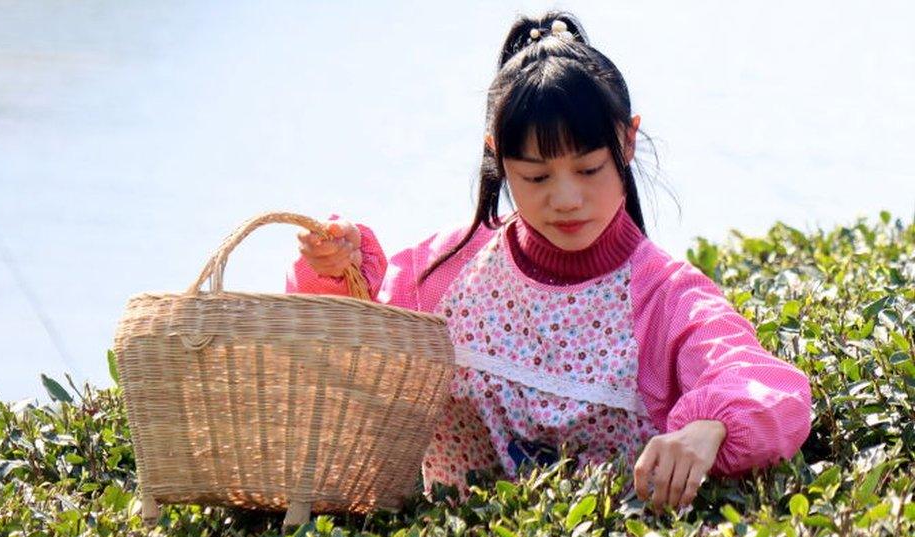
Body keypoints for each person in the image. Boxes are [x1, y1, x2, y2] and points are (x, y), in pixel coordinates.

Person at [286, 11, 811, 511]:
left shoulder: (665, 296)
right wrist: (338, 269)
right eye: (536, 177)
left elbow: (759, 383)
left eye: (587, 169)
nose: (565, 200)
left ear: (627, 141)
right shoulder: (443, 270)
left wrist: (709, 426)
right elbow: (343, 348)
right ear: (497, 154)